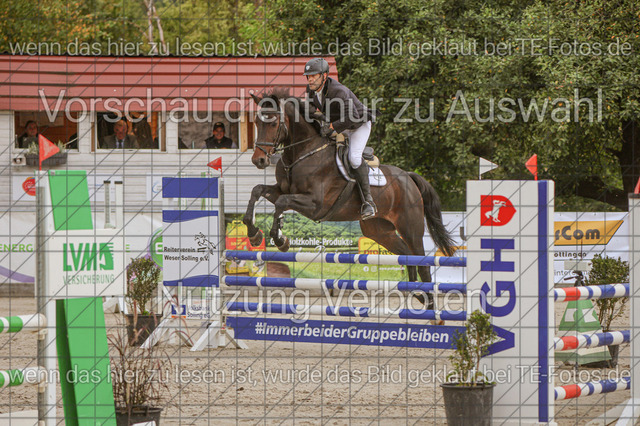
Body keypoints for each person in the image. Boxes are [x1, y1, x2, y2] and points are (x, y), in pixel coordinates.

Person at [303, 57, 376, 220]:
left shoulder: (339, 91)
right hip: (341, 125)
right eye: (308, 76)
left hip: (358, 125)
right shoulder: (311, 91)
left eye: (313, 75)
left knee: (354, 158)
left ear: (324, 76)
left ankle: (368, 202)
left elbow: (352, 116)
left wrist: (331, 127)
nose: (310, 79)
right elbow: (310, 110)